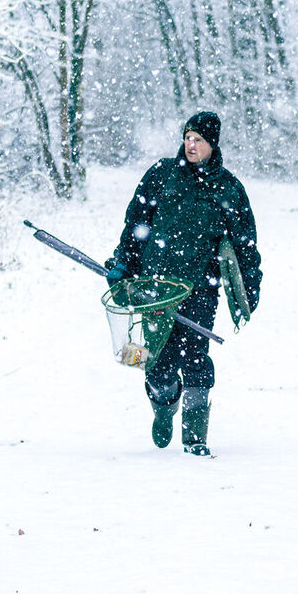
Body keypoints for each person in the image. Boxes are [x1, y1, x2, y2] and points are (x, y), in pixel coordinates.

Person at [104, 111, 262, 456]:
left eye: (199, 140)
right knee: (155, 361)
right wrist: (121, 263)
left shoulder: (228, 189)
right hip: (155, 286)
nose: (191, 145)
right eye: (188, 137)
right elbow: (136, 225)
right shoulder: (162, 176)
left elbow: (244, 244)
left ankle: (195, 437)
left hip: (199, 287)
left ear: (212, 144)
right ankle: (164, 402)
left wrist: (249, 286)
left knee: (195, 357)